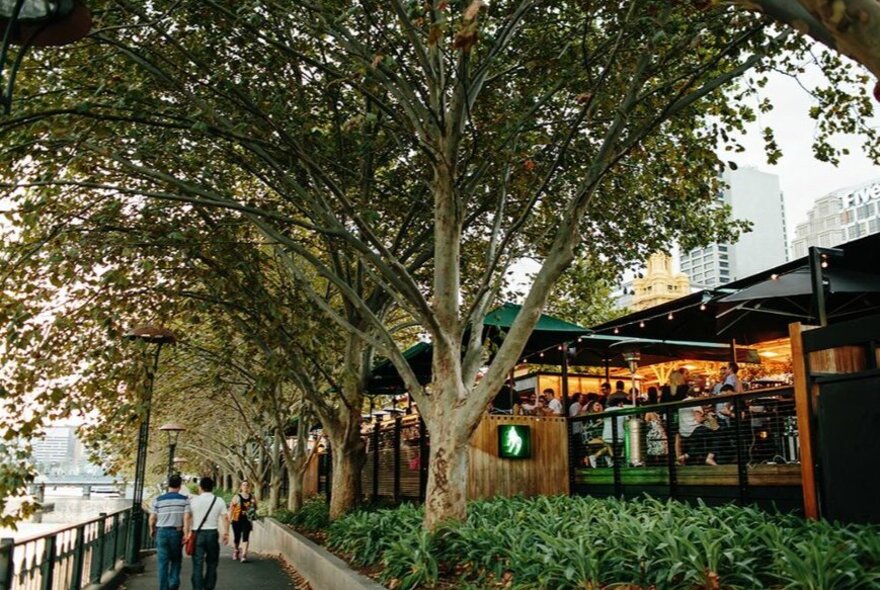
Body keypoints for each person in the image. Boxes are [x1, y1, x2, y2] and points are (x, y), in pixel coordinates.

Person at [186, 477, 230, 590]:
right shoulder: (219, 500)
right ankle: (209, 587)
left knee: (197, 563)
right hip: (212, 533)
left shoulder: (194, 501)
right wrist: (226, 533)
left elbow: (188, 517)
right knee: (212, 562)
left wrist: (187, 532)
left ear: (200, 487)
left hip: (197, 534)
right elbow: (225, 517)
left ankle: (197, 587)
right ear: (212, 488)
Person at [149, 474, 191, 590]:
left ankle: (164, 588)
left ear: (168, 485)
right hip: (176, 532)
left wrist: (152, 530)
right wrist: (186, 533)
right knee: (176, 559)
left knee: (162, 563)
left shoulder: (157, 500)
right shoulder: (184, 500)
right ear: (180, 485)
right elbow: (186, 518)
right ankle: (174, 583)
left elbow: (152, 518)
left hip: (161, 532)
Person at [229, 481, 257, 562]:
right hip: (237, 519)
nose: (245, 486)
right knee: (237, 538)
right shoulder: (236, 497)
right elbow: (231, 508)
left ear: (249, 487)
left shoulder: (252, 497)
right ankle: (236, 550)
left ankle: (244, 555)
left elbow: (255, 508)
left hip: (247, 519)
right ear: (241, 487)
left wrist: (254, 504)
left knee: (246, 536)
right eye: (244, 485)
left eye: (247, 485)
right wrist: (230, 518)